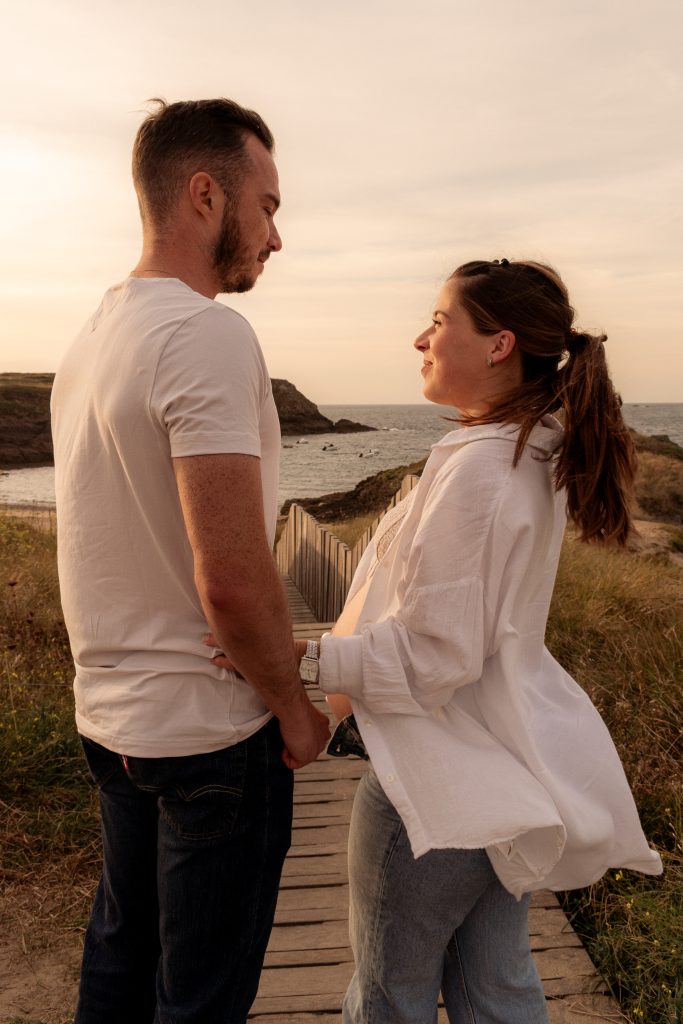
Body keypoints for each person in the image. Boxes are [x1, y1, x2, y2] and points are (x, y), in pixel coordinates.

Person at [286, 259, 663, 1023]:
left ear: (498, 345)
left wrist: (297, 659)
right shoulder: (514, 454)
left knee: (387, 999)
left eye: (439, 320)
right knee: (495, 990)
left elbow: (436, 656)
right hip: (495, 773)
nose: (419, 337)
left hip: (435, 779)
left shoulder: (485, 472)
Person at [51, 98, 330, 1024]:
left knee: (122, 957)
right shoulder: (205, 333)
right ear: (205, 196)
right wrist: (294, 707)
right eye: (269, 206)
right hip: (210, 733)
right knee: (201, 998)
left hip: (113, 720)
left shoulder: (91, 340)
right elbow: (231, 574)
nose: (275, 237)